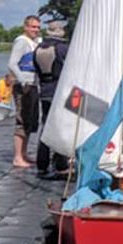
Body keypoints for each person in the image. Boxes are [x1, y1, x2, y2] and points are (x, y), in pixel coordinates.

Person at [34, 20, 70, 177]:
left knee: (46, 126)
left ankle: (42, 163)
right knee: (61, 127)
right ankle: (61, 164)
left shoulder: (38, 49)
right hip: (59, 91)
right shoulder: (62, 49)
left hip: (44, 90)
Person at [8, 14, 41, 167]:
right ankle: (17, 157)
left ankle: (24, 153)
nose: (36, 30)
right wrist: (22, 80)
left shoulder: (34, 43)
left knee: (30, 120)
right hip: (23, 86)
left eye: (38, 27)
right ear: (26, 27)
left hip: (33, 84)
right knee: (22, 119)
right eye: (33, 27)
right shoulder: (21, 42)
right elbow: (12, 64)